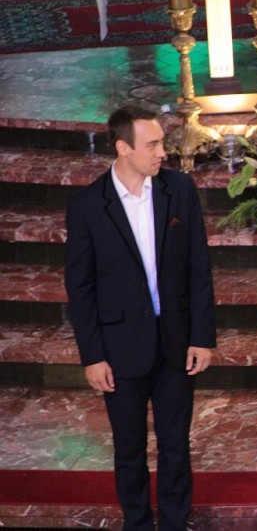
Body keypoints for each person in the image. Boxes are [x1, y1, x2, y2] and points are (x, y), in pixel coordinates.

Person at [64, 104, 216, 531]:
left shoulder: (179, 189)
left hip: (176, 341)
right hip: (119, 347)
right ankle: (137, 522)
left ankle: (174, 523)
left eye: (161, 143)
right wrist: (93, 356)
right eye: (152, 145)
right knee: (128, 448)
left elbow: (199, 267)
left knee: (175, 444)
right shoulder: (87, 205)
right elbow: (80, 287)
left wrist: (202, 336)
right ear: (123, 148)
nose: (162, 152)